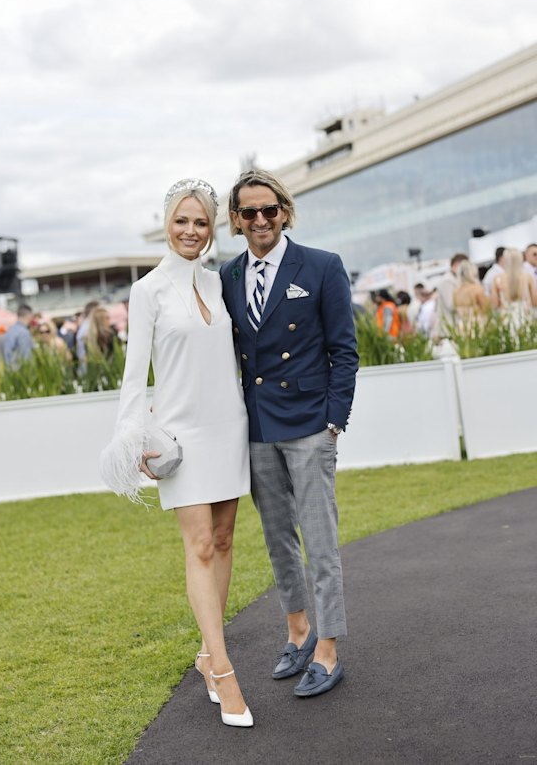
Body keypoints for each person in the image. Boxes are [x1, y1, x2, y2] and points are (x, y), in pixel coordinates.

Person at [100, 179, 253, 728]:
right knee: (200, 547)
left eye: (201, 222)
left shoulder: (221, 283)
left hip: (230, 426)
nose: (191, 231)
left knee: (225, 538)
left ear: (213, 228)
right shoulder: (147, 291)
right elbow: (133, 375)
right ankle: (226, 670)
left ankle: (208, 656)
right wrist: (134, 437)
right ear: (167, 223)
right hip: (182, 437)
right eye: (182, 220)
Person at [220, 168, 358, 699]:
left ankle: (328, 647)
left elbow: (343, 350)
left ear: (285, 211)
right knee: (278, 537)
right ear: (236, 219)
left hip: (307, 424)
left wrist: (334, 421)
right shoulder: (228, 277)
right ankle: (297, 628)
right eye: (249, 212)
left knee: (320, 541)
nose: (260, 219)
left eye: (269, 209)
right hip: (257, 427)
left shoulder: (322, 266)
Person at [491, 247, 537, 329]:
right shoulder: (527, 277)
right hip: (525, 317)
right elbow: (535, 302)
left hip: (506, 318)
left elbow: (495, 305)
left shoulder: (497, 279)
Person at [434, 253, 468, 336]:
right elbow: (450, 305)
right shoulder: (447, 281)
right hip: (448, 330)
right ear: (456, 265)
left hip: (453, 328)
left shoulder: (453, 279)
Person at [453, 260, 490, 326]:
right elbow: (486, 309)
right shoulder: (477, 288)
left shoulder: (456, 292)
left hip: (462, 326)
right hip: (477, 325)